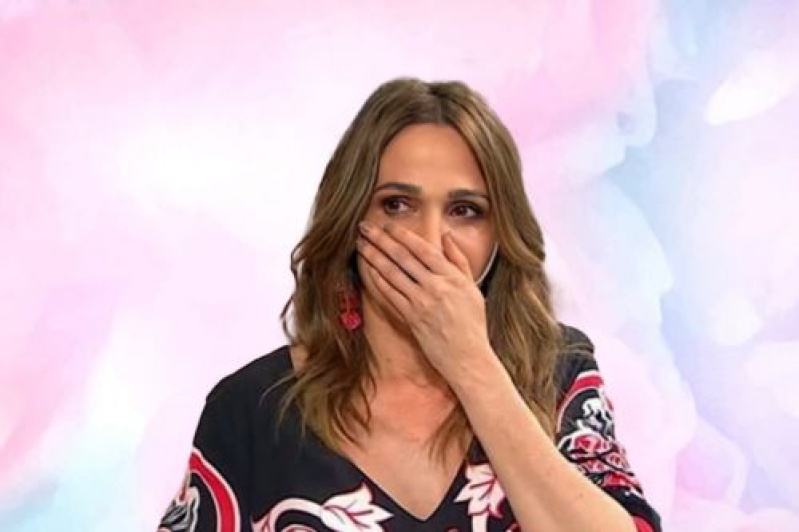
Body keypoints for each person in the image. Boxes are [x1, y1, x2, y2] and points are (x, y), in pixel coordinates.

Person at [157, 77, 662, 532]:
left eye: (465, 210)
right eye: (397, 205)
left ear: (499, 237)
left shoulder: (558, 373)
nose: (429, 239)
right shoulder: (251, 408)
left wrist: (473, 367)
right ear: (352, 223)